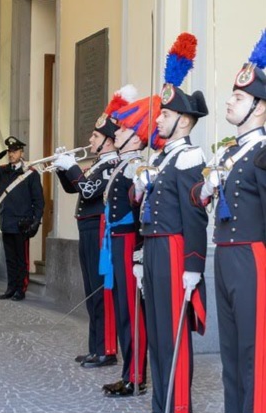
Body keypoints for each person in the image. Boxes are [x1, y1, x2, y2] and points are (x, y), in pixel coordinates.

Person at [190, 31, 266, 413]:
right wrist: (205, 190)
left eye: (239, 97)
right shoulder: (232, 153)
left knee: (254, 350)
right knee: (231, 350)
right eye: (232, 95)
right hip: (224, 255)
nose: (230, 102)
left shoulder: (262, 154)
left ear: (261, 107)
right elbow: (200, 199)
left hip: (253, 257)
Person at [132, 32, 208, 413]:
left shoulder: (190, 158)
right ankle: (160, 403)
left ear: (183, 120)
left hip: (178, 251)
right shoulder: (161, 160)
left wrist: (194, 266)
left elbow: (196, 217)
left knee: (174, 332)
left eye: (163, 114)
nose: (157, 119)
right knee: (158, 334)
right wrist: (142, 254)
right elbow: (147, 212)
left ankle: (178, 406)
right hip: (156, 248)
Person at [52, 87, 131, 368]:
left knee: (100, 292)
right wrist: (63, 169)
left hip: (99, 231)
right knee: (91, 291)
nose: (90, 139)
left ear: (109, 142)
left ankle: (106, 349)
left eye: (95, 136)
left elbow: (88, 190)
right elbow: (76, 189)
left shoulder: (113, 165)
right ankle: (96, 346)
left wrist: (72, 167)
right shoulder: (99, 163)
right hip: (87, 231)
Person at [98, 93, 160, 396]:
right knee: (123, 310)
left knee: (132, 312)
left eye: (122, 130)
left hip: (128, 244)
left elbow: (142, 212)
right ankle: (129, 372)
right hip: (116, 243)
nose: (116, 134)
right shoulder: (123, 164)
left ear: (136, 140)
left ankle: (136, 376)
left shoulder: (137, 167)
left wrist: (139, 252)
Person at [0, 136, 44, 301]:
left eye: (14, 151)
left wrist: (36, 222)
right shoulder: (2, 171)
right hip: (7, 222)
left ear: (21, 152)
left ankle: (21, 289)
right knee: (10, 259)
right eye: (9, 151)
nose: (11, 154)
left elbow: (39, 201)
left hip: (22, 223)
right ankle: (11, 288)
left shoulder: (31, 174)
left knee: (22, 260)